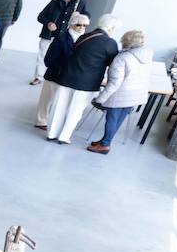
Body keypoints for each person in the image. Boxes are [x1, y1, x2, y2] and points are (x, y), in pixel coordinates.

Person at [46, 14, 120, 145]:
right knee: (76, 110)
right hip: (87, 83)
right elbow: (112, 64)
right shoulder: (110, 43)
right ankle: (64, 136)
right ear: (111, 28)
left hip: (67, 76)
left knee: (59, 106)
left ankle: (51, 133)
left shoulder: (85, 36)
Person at [89, 30, 152, 155]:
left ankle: (105, 145)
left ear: (127, 41)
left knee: (111, 119)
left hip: (120, 94)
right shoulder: (147, 56)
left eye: (123, 39)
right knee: (118, 120)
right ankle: (105, 141)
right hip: (135, 94)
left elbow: (114, 83)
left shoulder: (122, 58)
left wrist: (99, 99)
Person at [35, 12, 90, 130]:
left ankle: (52, 123)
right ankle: (41, 121)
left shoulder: (84, 40)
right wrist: (60, 69)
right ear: (72, 25)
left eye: (85, 25)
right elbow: (49, 59)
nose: (82, 28)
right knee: (46, 99)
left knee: (58, 101)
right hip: (55, 74)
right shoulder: (61, 38)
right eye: (79, 25)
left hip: (67, 77)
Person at [33, 0, 88, 85]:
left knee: (62, 57)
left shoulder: (81, 4)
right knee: (42, 55)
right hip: (49, 35)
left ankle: (54, 77)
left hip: (66, 37)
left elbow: (86, 18)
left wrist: (79, 17)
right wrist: (48, 23)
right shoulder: (54, 2)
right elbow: (40, 16)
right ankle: (39, 77)